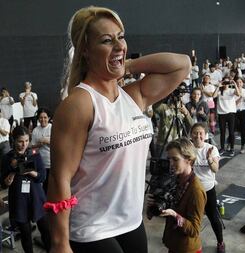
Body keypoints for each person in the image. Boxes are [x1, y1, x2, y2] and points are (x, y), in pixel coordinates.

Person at [47, 6, 191, 253]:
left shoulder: (134, 96)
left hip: (130, 221)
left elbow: (182, 64)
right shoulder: (80, 103)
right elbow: (60, 178)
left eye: (120, 36)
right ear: (85, 50)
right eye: (106, 40)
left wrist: (127, 64)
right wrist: (60, 244)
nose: (118, 45)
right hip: (92, 228)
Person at [148, 138, 207, 253]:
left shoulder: (196, 190)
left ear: (188, 160)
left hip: (187, 249)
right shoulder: (176, 179)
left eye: (175, 159)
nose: (171, 164)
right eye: (169, 159)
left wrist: (175, 215)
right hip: (174, 244)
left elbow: (194, 230)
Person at [1, 126, 50, 253]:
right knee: (25, 234)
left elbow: (42, 177)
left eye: (27, 141)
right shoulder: (7, 158)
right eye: (20, 141)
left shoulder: (35, 154)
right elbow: (3, 182)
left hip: (36, 198)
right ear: (14, 140)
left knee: (46, 230)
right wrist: (8, 179)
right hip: (18, 201)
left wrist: (31, 172)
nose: (24, 144)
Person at [190, 123, 225, 253]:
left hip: (208, 189)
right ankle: (192, 243)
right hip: (192, 189)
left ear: (205, 135)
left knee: (213, 217)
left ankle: (220, 242)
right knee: (192, 218)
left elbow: (215, 168)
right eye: (195, 133)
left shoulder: (211, 148)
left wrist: (209, 159)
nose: (198, 136)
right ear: (191, 134)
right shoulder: (188, 148)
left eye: (201, 133)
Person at [30, 108, 52, 194]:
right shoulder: (36, 130)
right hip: (40, 162)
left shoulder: (52, 128)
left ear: (49, 118)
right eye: (41, 117)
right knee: (40, 185)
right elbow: (33, 147)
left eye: (45, 117)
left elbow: (58, 144)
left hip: (51, 162)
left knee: (49, 186)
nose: (43, 120)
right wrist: (39, 144)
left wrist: (47, 141)